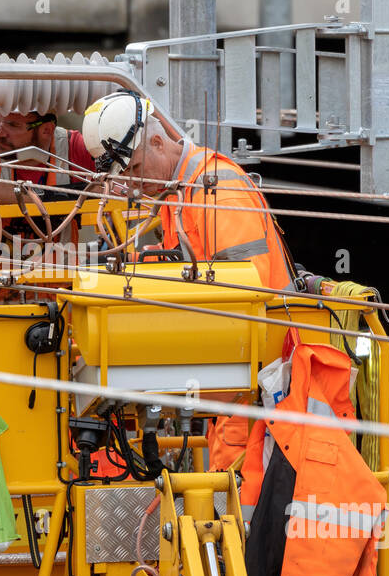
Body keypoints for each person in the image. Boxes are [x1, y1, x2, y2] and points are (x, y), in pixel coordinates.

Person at [80, 91, 296, 506]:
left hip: (257, 385)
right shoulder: (177, 193)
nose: (132, 185)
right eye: (123, 178)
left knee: (237, 510)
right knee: (220, 506)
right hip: (230, 387)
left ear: (159, 143)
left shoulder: (217, 191)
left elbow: (249, 299)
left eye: (137, 169)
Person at [0, 108, 95, 205]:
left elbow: (112, 186)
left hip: (61, 245)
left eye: (13, 125)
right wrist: (54, 196)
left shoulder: (74, 145)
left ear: (46, 130)